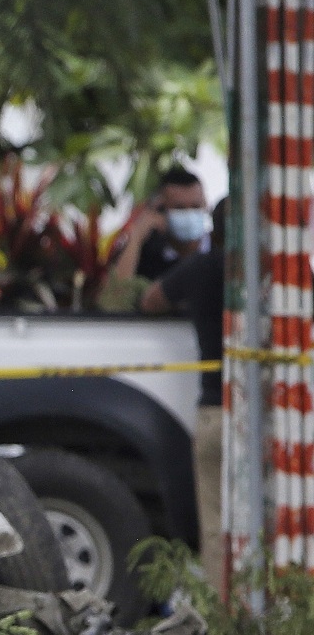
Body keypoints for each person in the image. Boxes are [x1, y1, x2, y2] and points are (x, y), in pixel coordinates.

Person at [141, 198, 226, 599]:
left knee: (215, 526)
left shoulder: (204, 267)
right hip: (279, 420)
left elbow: (150, 300)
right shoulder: (284, 273)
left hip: (216, 413)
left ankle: (224, 623)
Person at [100, 165, 212, 310]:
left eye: (196, 207)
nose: (189, 214)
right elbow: (114, 301)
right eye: (179, 208)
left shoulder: (220, 250)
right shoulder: (145, 255)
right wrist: (136, 238)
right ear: (160, 210)